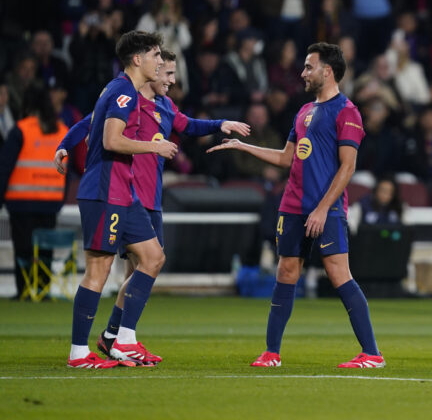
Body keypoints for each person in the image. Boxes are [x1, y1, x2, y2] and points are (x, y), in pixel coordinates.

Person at [55, 50, 249, 361]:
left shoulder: (165, 107)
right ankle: (112, 339)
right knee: (119, 269)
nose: (172, 80)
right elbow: (90, 124)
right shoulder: (127, 100)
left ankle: (115, 336)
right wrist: (64, 145)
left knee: (144, 268)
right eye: (167, 73)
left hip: (148, 201)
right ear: (151, 69)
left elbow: (189, 125)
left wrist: (220, 123)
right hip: (121, 195)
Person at [207, 42, 384, 369]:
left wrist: (321, 209)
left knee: (338, 273)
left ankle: (372, 353)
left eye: (308, 66)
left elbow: (348, 168)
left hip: (325, 209)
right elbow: (286, 158)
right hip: (292, 206)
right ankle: (271, 352)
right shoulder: (304, 111)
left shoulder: (347, 112)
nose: (302, 72)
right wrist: (243, 147)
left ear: (327, 71)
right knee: (286, 271)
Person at [64, 31, 178, 369]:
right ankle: (78, 353)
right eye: (156, 54)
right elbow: (112, 140)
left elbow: (91, 125)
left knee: (154, 257)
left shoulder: (123, 91)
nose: (161, 61)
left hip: (122, 192)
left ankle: (124, 339)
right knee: (98, 270)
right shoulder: (122, 92)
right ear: (137, 59)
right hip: (103, 191)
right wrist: (154, 147)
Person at [0, 82, 67, 299]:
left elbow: (4, 168)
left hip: (21, 201)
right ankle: (43, 291)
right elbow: (67, 170)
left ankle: (25, 291)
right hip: (51, 201)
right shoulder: (62, 131)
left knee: (24, 249)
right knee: (44, 249)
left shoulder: (21, 130)